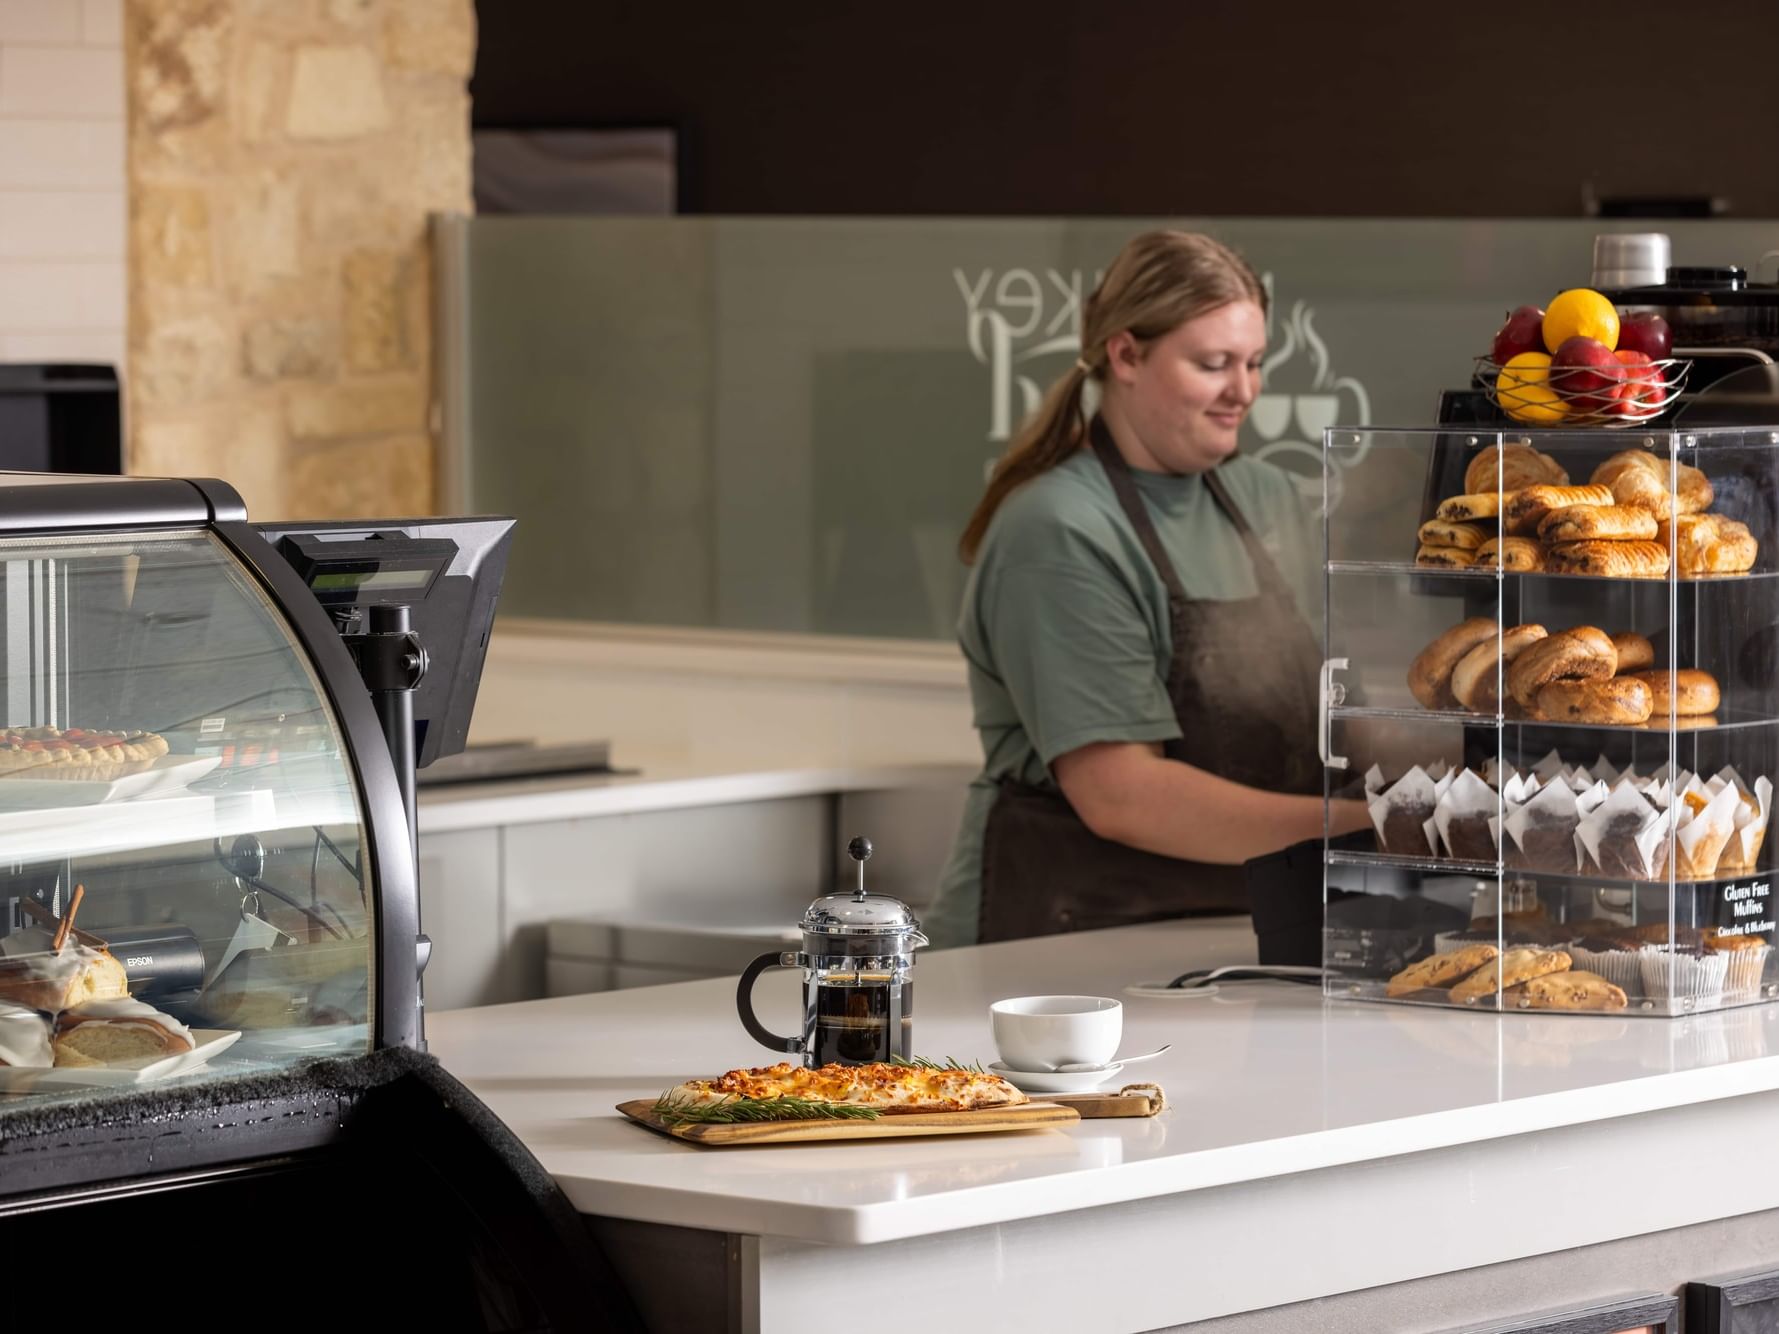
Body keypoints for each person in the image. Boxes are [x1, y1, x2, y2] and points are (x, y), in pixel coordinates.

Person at [926, 230, 1369, 948]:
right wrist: (1372, 828)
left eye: (1253, 362)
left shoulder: (1265, 498)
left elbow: (1330, 706)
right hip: (1058, 943)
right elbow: (1122, 796)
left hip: (1235, 924)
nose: (1244, 391)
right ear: (1125, 354)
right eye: (1212, 364)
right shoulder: (1059, 528)